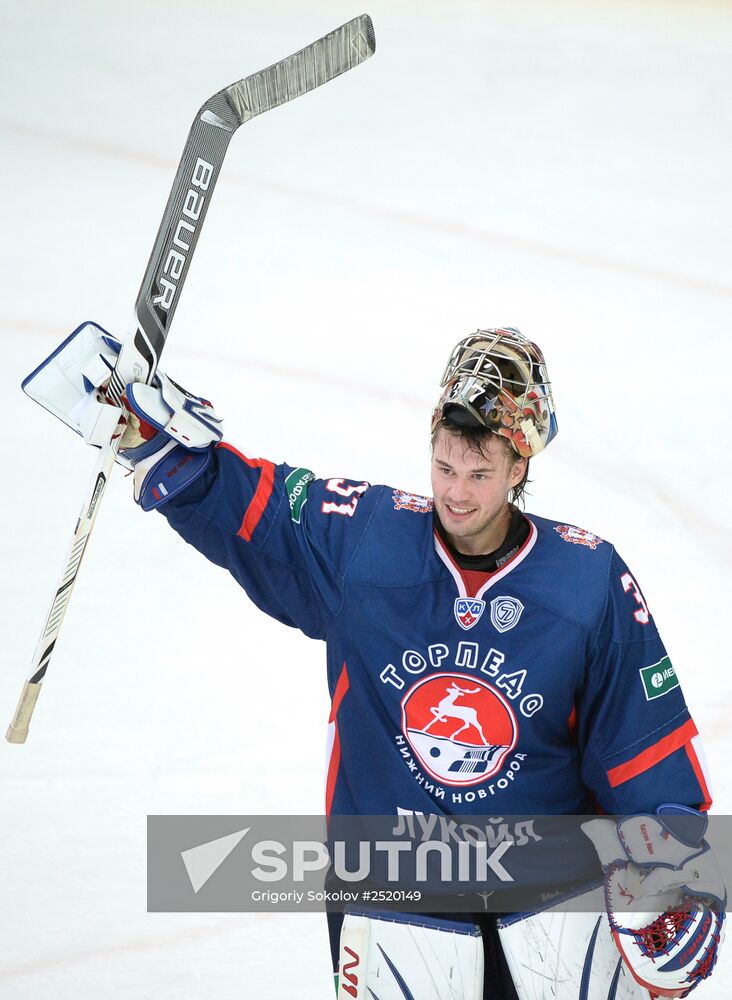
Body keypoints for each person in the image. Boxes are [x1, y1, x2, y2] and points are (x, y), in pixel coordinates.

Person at [24, 324, 725, 999]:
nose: (455, 492)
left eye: (480, 473)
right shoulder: (366, 542)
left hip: (546, 890)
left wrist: (679, 871)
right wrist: (155, 444)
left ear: (521, 467)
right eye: (444, 466)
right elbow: (255, 512)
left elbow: (643, 750)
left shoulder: (586, 580)